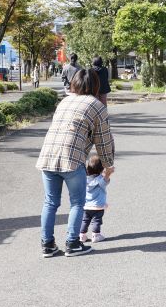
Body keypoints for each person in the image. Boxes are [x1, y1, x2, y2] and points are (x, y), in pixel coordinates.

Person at [36, 68, 115, 258]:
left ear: (74, 83)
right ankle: (72, 244)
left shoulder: (64, 101)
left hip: (47, 157)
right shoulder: (96, 105)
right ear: (95, 85)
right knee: (78, 202)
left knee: (50, 202)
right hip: (71, 159)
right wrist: (108, 164)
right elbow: (103, 140)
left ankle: (47, 245)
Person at [79, 154, 114, 243]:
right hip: (98, 206)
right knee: (96, 221)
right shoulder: (100, 179)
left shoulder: (85, 179)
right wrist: (108, 173)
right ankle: (96, 235)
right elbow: (105, 180)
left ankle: (82, 235)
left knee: (85, 221)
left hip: (86, 206)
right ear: (101, 169)